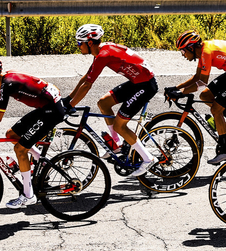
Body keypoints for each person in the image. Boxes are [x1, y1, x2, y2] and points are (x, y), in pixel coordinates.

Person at [0, 56, 68, 208]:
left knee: (20, 149)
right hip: (46, 107)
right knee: (12, 135)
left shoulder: (7, 84)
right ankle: (41, 162)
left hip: (52, 111)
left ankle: (29, 196)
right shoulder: (5, 81)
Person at [65, 23, 159, 177]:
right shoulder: (101, 51)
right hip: (137, 82)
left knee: (120, 125)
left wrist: (70, 106)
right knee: (103, 103)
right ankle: (116, 145)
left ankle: (148, 158)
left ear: (89, 43)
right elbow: (87, 76)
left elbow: (88, 85)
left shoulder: (103, 55)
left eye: (79, 43)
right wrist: (68, 99)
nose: (77, 46)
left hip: (145, 85)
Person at [167, 30, 226, 165]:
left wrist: (182, 92)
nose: (183, 55)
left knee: (216, 109)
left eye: (183, 51)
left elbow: (202, 83)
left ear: (191, 47)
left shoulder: (206, 52)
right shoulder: (202, 50)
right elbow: (197, 77)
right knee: (205, 95)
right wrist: (176, 88)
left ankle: (225, 150)